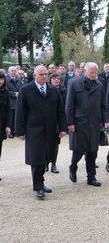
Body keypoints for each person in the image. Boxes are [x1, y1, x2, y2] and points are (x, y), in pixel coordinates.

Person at [15, 65, 67, 200]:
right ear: (34, 76)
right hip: (33, 130)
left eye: (45, 74)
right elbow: (20, 112)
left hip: (50, 130)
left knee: (46, 157)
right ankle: (38, 186)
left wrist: (63, 128)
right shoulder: (26, 90)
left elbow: (60, 110)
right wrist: (20, 131)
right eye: (41, 74)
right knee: (36, 158)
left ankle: (40, 183)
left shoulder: (53, 90)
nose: (44, 76)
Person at [66, 62, 107, 187]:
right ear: (85, 71)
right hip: (79, 122)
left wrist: (104, 120)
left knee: (92, 151)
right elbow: (69, 105)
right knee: (78, 150)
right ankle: (73, 167)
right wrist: (70, 122)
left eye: (96, 72)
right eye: (92, 72)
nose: (94, 75)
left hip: (94, 123)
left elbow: (103, 105)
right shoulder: (74, 83)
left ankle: (91, 177)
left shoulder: (100, 85)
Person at [46, 73, 67, 174]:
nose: (56, 80)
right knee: (46, 144)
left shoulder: (64, 90)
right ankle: (46, 163)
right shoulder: (46, 90)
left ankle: (53, 164)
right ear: (50, 80)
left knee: (55, 144)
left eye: (58, 78)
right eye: (54, 78)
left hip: (58, 120)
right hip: (47, 120)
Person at [0, 72, 11, 182]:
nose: (1, 81)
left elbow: (8, 110)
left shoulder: (6, 92)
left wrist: (8, 125)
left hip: (1, 124)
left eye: (2, 79)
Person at [6, 66, 22, 138]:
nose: (13, 72)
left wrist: (20, 93)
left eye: (15, 70)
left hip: (18, 100)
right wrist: (14, 94)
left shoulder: (18, 79)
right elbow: (6, 91)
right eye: (12, 71)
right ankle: (11, 132)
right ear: (9, 72)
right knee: (11, 117)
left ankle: (16, 131)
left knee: (17, 116)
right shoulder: (6, 80)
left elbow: (21, 88)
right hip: (10, 101)